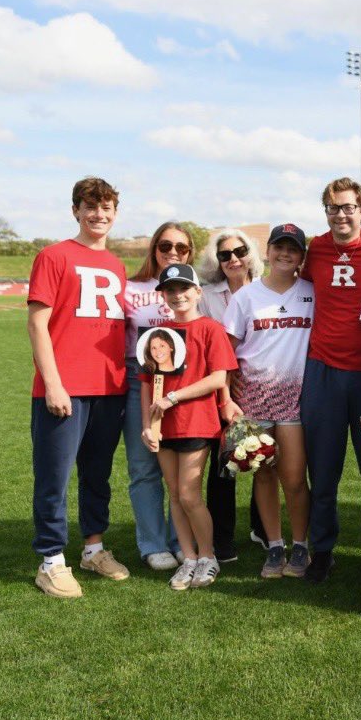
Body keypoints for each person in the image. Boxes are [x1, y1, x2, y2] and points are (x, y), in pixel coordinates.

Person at [29, 177, 130, 598]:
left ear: (115, 212)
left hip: (110, 387)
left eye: (106, 207)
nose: (98, 214)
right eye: (90, 206)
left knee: (97, 474)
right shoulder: (53, 256)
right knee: (54, 477)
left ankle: (93, 549)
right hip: (64, 388)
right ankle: (51, 560)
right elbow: (37, 323)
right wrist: (54, 384)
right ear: (75, 210)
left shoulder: (118, 265)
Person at [300, 178, 361, 583]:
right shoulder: (316, 249)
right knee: (323, 470)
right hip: (322, 370)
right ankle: (322, 549)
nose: (342, 214)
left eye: (348, 207)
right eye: (334, 208)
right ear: (327, 212)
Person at [221, 225, 315, 579]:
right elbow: (227, 354)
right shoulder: (246, 297)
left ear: (301, 257)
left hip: (294, 401)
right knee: (263, 476)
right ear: (268, 251)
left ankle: (301, 546)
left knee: (293, 478)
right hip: (253, 399)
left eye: (293, 249)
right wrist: (227, 400)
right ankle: (275, 546)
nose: (285, 255)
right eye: (279, 247)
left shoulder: (311, 293)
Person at [139, 263, 237, 590]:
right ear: (163, 295)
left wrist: (174, 397)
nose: (177, 295)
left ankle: (207, 557)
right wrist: (149, 425)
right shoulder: (158, 333)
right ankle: (189, 557)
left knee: (189, 495)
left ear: (198, 292)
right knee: (176, 497)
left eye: (184, 289)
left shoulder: (210, 328)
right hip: (165, 427)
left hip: (197, 422)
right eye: (170, 290)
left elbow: (218, 377)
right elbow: (148, 383)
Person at [121, 221, 195, 571]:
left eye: (181, 248)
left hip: (184, 385)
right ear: (154, 248)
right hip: (142, 381)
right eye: (166, 246)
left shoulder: (194, 286)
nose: (173, 253)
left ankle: (178, 537)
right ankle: (152, 543)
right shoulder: (130, 287)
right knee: (144, 464)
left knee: (180, 468)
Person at [196, 227, 264, 562]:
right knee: (224, 466)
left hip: (263, 387)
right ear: (217, 261)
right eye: (225, 255)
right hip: (221, 388)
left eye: (239, 252)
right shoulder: (207, 296)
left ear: (251, 253)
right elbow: (204, 345)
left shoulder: (267, 290)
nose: (234, 259)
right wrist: (225, 390)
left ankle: (262, 528)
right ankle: (222, 539)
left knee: (266, 458)